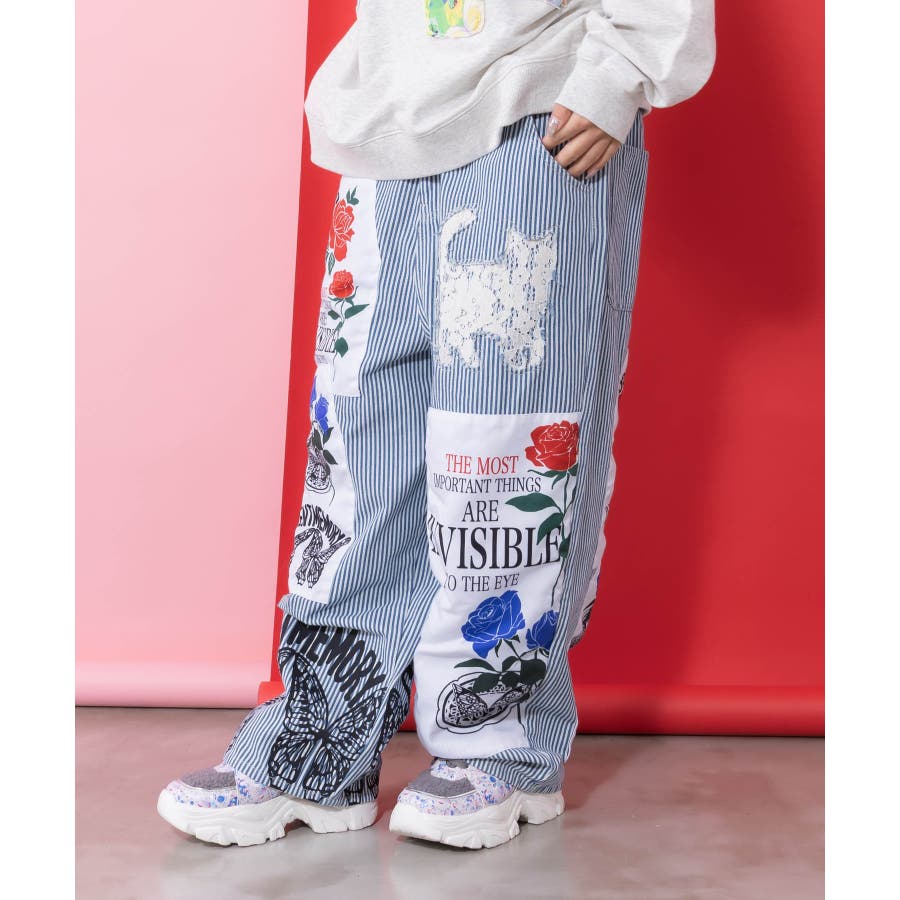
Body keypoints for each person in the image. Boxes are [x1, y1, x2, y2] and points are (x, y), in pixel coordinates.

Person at [157, 0, 716, 850]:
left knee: (505, 446)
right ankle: (320, 745)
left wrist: (616, 73)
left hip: (539, 110)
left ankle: (502, 748)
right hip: (386, 112)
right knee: (357, 448)